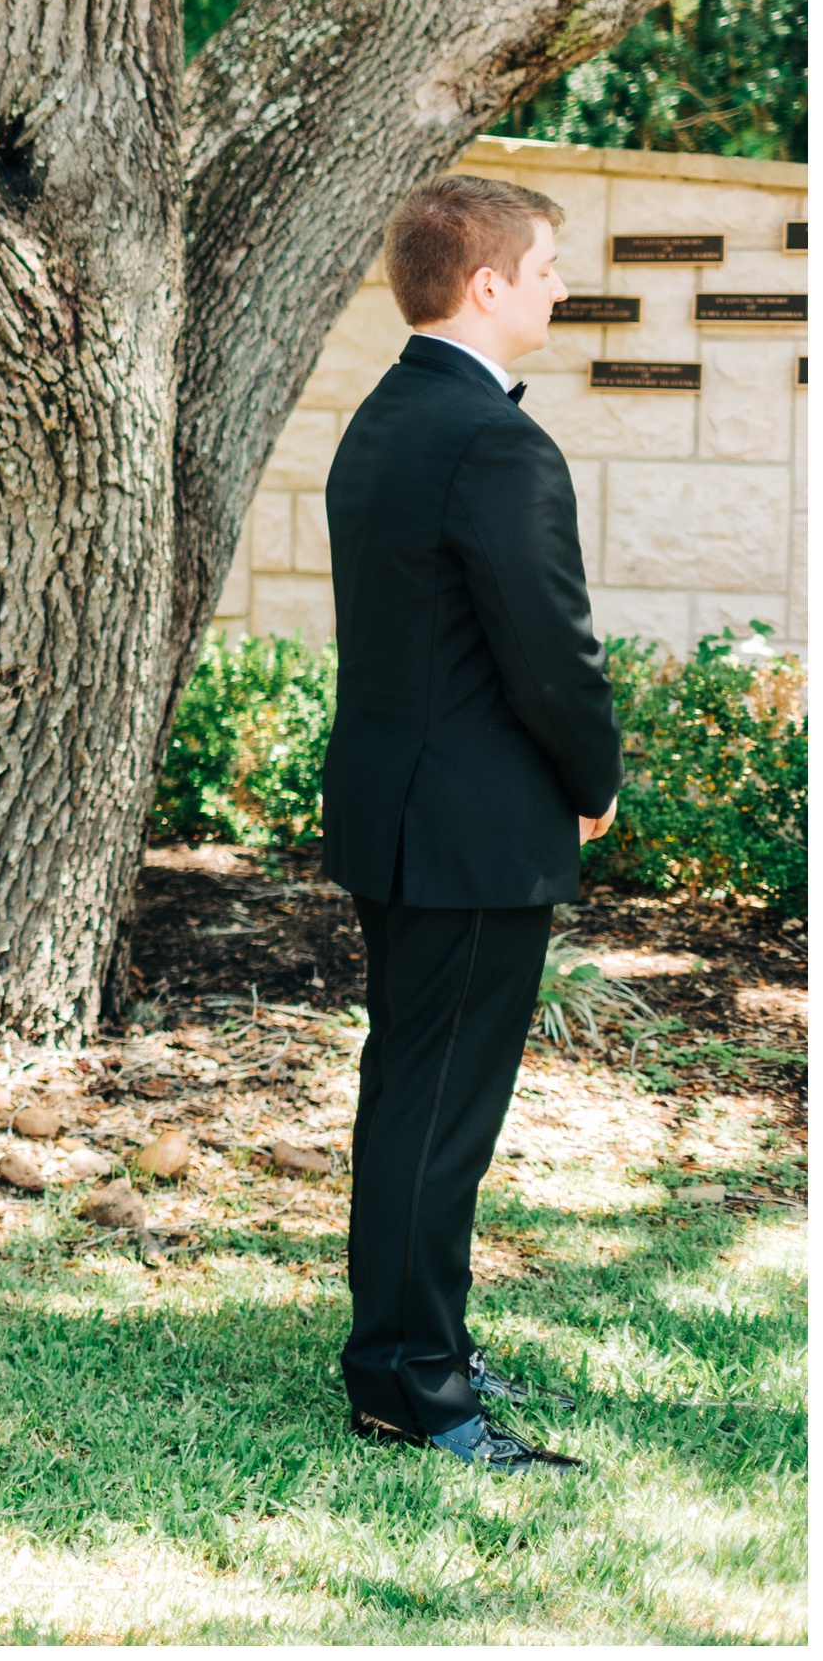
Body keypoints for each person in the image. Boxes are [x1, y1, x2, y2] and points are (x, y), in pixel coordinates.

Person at [319, 174, 621, 1475]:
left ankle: (407, 1343)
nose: (560, 282)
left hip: (403, 812)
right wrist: (596, 776)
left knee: (412, 1098)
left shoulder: (387, 416)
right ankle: (414, 1385)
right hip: (474, 827)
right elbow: (548, 651)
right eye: (547, 264)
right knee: (438, 1113)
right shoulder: (494, 440)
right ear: (488, 284)